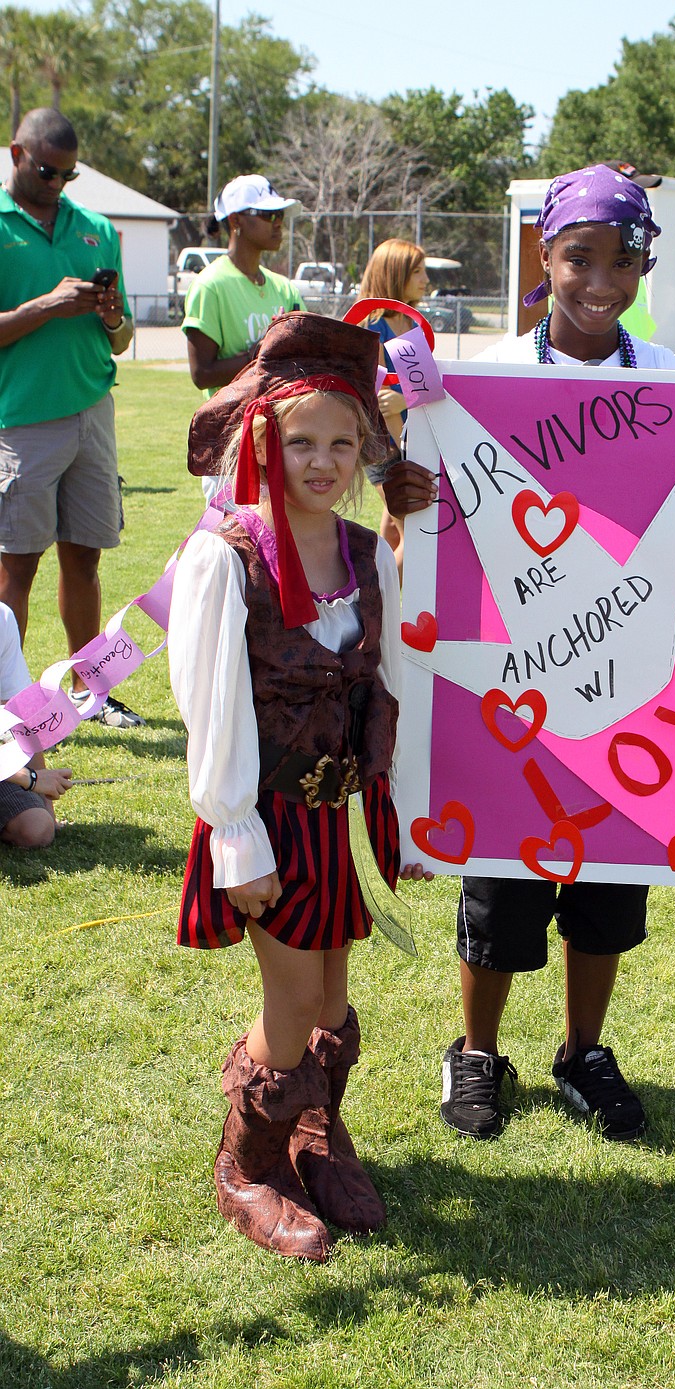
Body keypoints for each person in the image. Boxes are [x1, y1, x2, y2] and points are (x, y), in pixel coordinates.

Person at [385, 164, 675, 1144]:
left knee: (606, 884)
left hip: (626, 690)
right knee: (500, 885)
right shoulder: (480, 385)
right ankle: (475, 1050)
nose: (600, 280)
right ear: (543, 259)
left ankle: (580, 1052)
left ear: (645, 263)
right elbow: (418, 530)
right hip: (508, 691)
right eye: (578, 257)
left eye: (622, 259)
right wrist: (406, 499)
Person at [169, 311, 430, 1260]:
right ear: (263, 444)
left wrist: (404, 810)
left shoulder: (365, 554)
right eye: (301, 441)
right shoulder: (225, 555)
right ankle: (250, 1163)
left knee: (329, 996)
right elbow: (212, 703)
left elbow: (392, 681)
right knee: (289, 1003)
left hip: (329, 814)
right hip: (263, 815)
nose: (321, 461)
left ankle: (317, 1129)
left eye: (341, 443)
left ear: (364, 452)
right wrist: (236, 835)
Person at [0, 108, 143, 729]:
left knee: (84, 560)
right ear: (15, 153)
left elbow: (122, 338)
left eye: (68, 174)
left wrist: (110, 316)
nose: (58, 183)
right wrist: (46, 305)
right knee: (16, 569)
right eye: (46, 170)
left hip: (93, 414)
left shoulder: (96, 229)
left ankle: (96, 693)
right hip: (23, 421)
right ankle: (11, 706)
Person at [182, 175, 305, 506]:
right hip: (231, 444)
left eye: (280, 216)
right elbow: (202, 373)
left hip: (286, 440)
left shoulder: (286, 288)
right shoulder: (210, 286)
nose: (278, 224)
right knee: (237, 551)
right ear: (235, 221)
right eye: (267, 215)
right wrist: (263, 356)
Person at [356, 239, 429, 573]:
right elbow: (377, 401)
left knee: (391, 533)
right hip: (383, 447)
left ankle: (384, 617)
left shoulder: (413, 323)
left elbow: (425, 388)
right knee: (415, 541)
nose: (425, 280)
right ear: (395, 274)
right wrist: (402, 400)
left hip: (408, 443)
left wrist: (406, 400)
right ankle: (367, 609)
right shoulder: (370, 329)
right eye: (417, 272)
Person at [0, 601, 72, 848]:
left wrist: (46, 805)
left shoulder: (2, 618)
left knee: (37, 828)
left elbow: (20, 717)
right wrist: (29, 778)